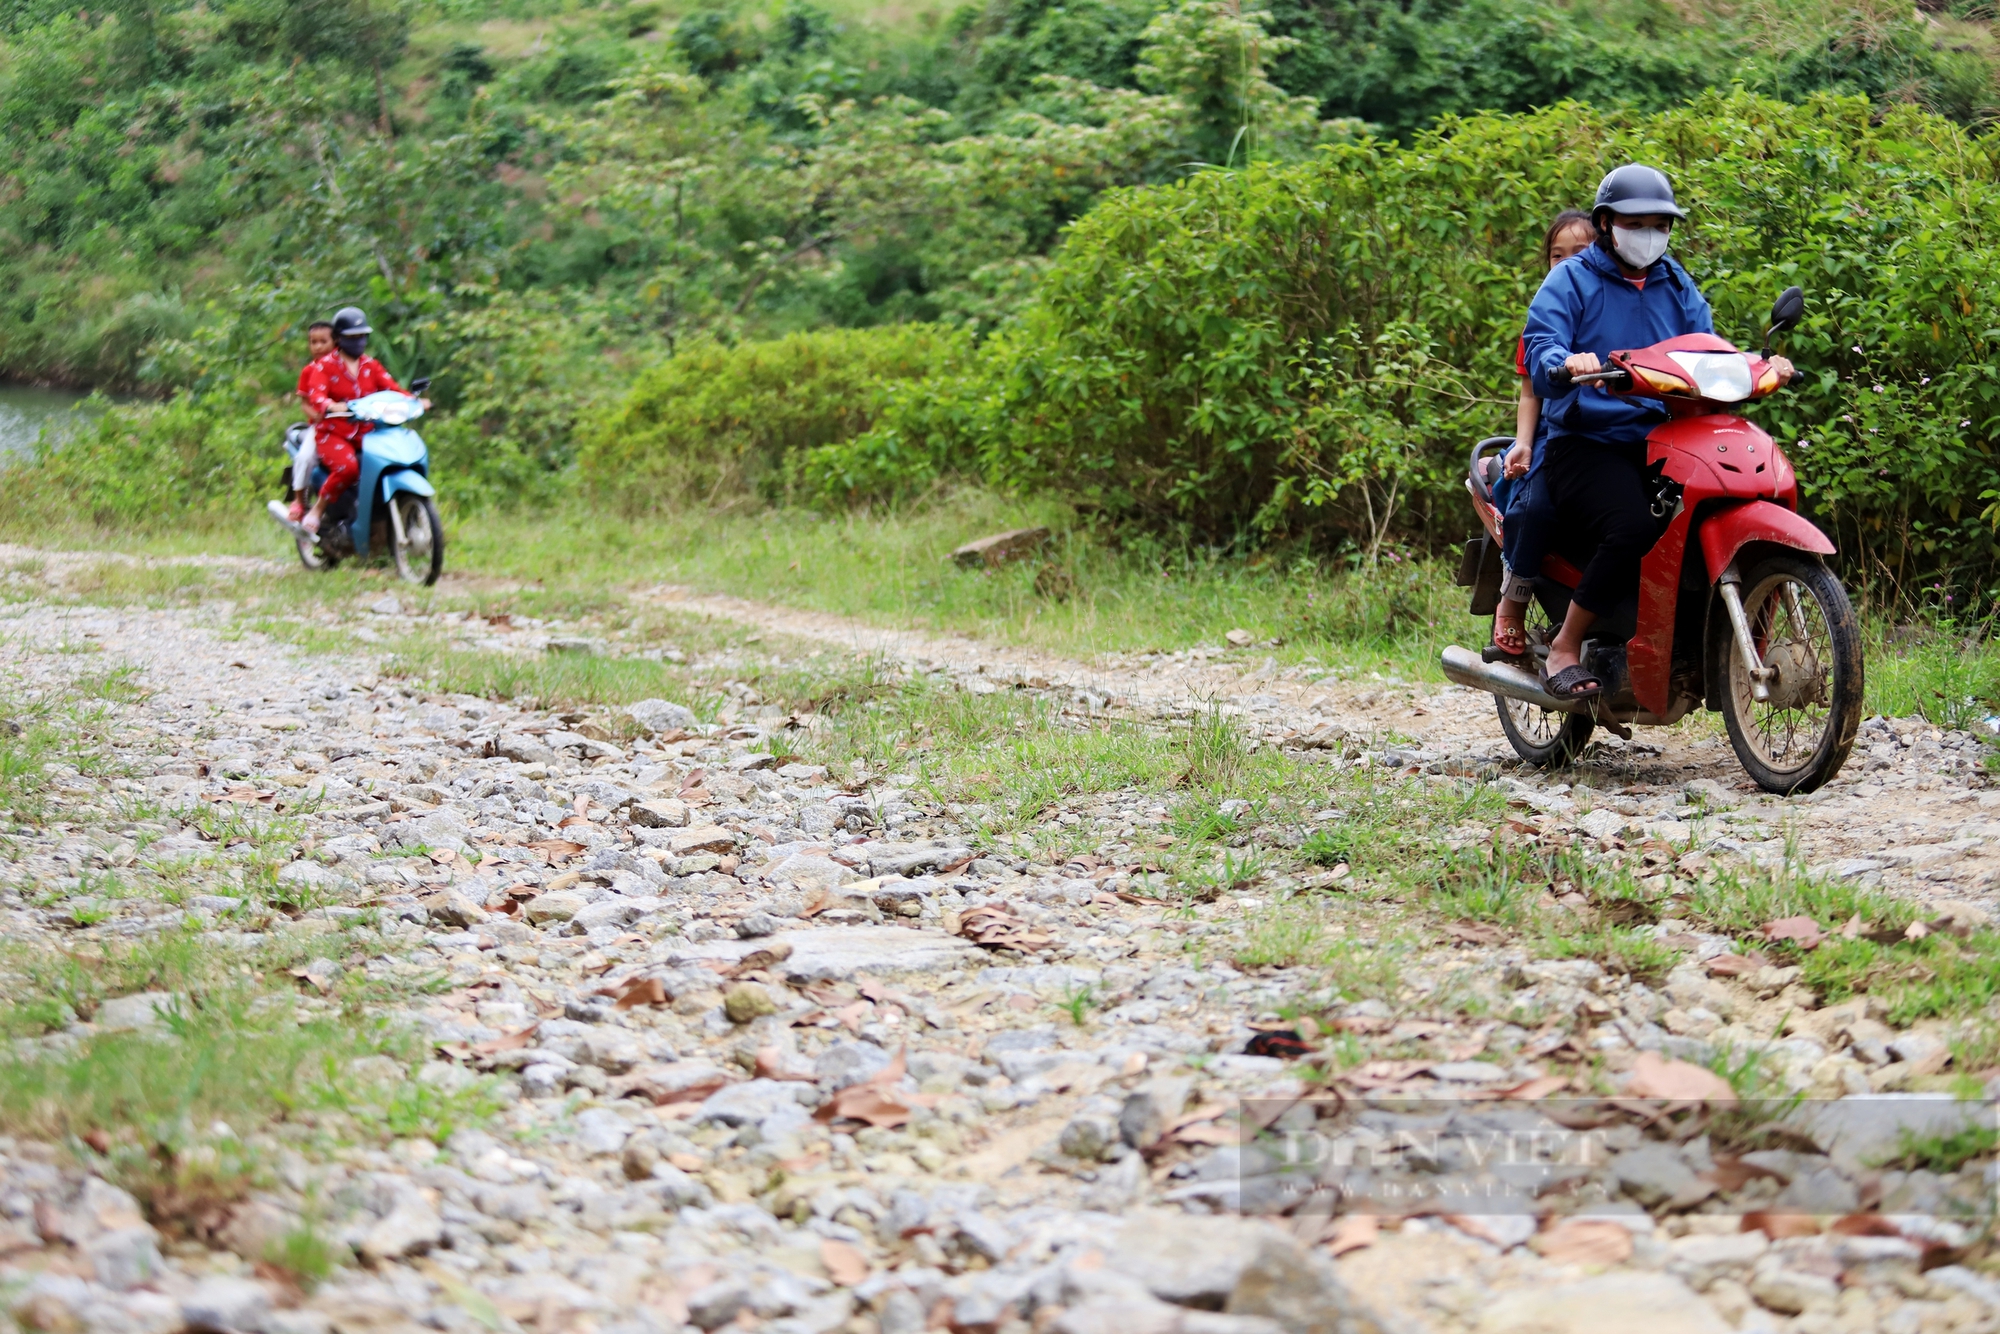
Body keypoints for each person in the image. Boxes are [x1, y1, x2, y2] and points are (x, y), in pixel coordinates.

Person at [1522, 164, 1793, 700]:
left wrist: (1758, 364)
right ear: (1606, 224)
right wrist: (1565, 361)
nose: (1650, 235)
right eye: (1636, 222)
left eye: (1661, 225)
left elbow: (1706, 349)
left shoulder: (1675, 283)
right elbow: (1539, 344)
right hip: (1586, 442)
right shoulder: (1571, 279)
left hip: (1665, 440)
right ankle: (1565, 645)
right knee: (1632, 525)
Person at [1488, 209, 1595, 661]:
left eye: (1581, 252)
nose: (1568, 263)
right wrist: (1525, 442)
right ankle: (1512, 600)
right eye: (1558, 255)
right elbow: (1531, 392)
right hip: (1557, 430)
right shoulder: (1544, 320)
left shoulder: (1616, 307)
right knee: (1534, 504)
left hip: (1616, 432)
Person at [299, 306, 404, 539]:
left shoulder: (371, 365)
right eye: (351, 337)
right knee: (348, 468)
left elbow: (393, 389)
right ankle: (317, 510)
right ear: (339, 339)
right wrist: (330, 405)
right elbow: (316, 395)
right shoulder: (324, 366)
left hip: (366, 433)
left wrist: (415, 401)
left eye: (362, 336)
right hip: (333, 433)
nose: (358, 342)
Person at [284, 321, 335, 524]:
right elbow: (304, 404)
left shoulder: (345, 368)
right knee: (305, 458)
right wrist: (318, 416)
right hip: (321, 426)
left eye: (323, 341)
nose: (318, 347)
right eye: (313, 342)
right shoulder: (309, 371)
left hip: (348, 426)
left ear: (336, 342)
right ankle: (298, 500)